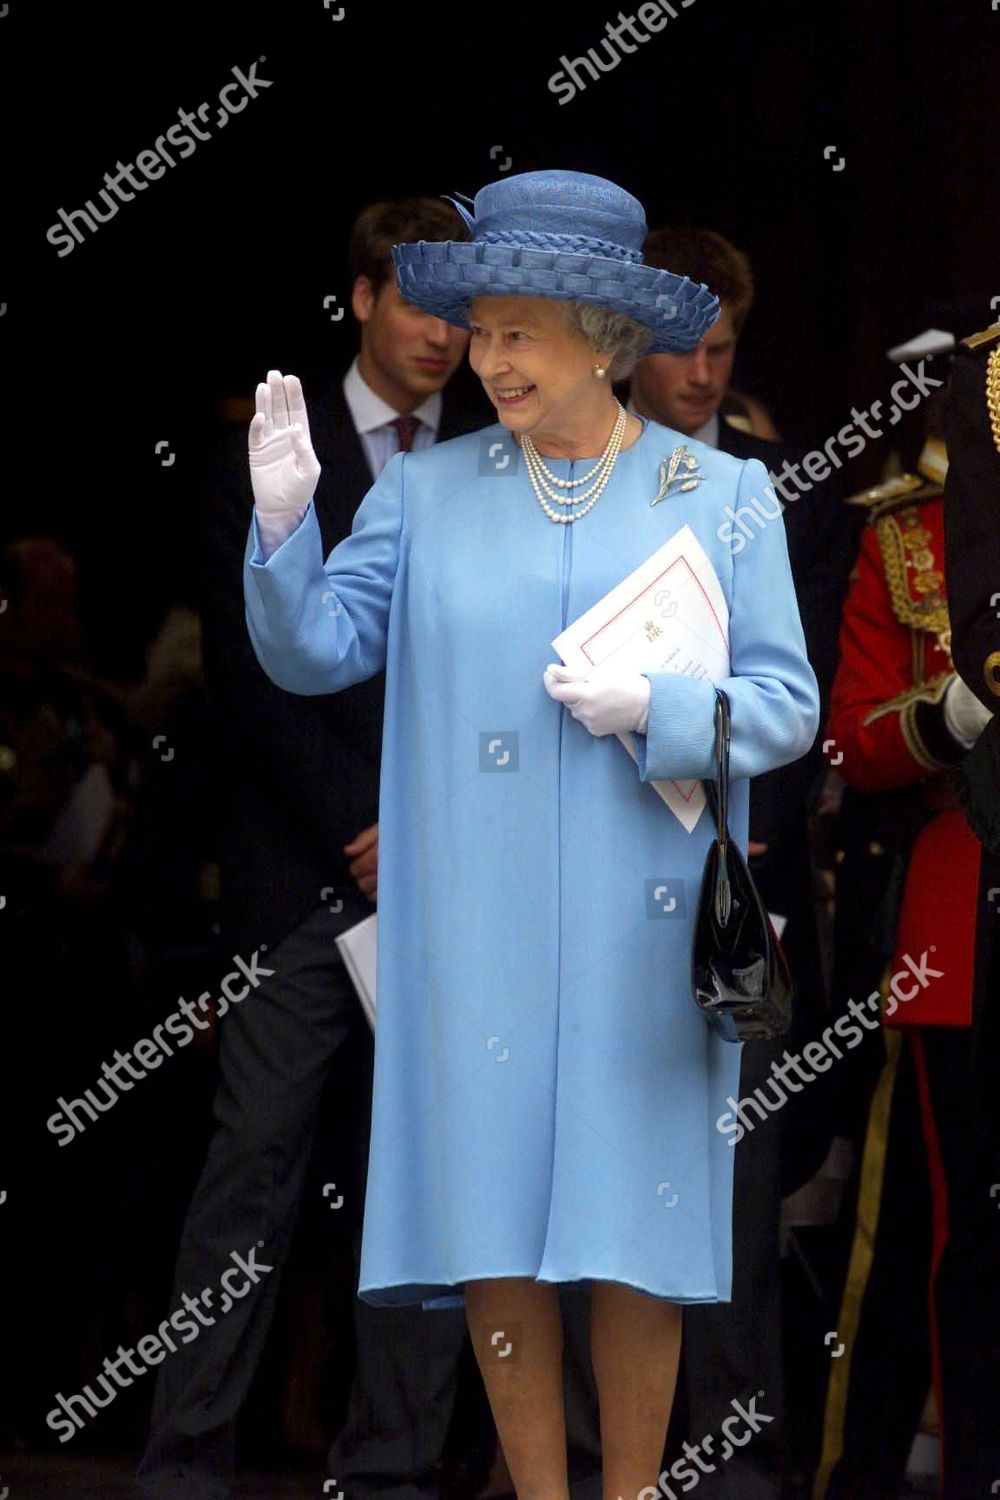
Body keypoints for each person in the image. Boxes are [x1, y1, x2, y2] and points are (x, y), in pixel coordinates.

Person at [243, 169, 820, 1500]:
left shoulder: (718, 491)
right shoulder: (432, 494)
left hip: (648, 928)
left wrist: (666, 708)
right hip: (475, 929)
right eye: (480, 329)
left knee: (636, 1229)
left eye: (517, 333)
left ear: (601, 336)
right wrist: (286, 530)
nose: (484, 358)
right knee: (495, 1229)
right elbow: (319, 649)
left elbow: (787, 709)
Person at [135, 196, 486, 1499]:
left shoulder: (499, 457)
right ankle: (183, 1464)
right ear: (358, 296)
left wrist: (437, 825)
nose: (443, 333)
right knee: (251, 1183)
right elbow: (249, 675)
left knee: (437, 1192)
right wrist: (366, 826)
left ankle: (393, 1466)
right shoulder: (263, 448)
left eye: (463, 307)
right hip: (298, 875)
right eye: (418, 300)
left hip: (450, 884)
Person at [617, 226, 855, 1496]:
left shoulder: (782, 486)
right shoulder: (577, 478)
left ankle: (735, 1462)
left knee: (737, 1175)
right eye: (679, 346)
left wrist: (754, 863)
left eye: (722, 348)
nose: (702, 373)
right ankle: (602, 1459)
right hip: (596, 865)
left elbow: (797, 696)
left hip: (740, 868)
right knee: (603, 1171)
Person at [813, 325, 997, 1498]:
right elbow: (855, 736)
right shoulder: (907, 537)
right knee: (959, 1238)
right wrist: (957, 713)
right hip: (965, 897)